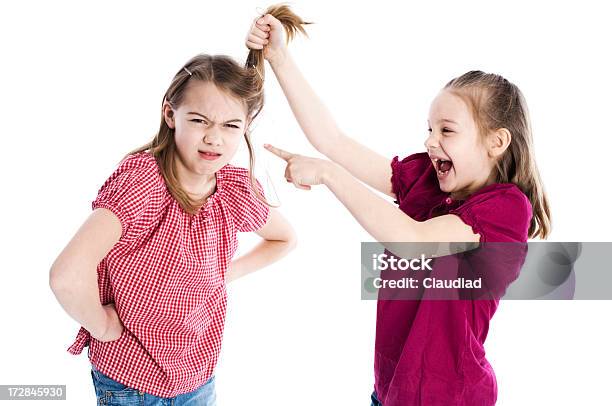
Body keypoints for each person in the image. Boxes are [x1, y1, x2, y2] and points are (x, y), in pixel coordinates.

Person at [246, 5, 551, 405]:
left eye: (447, 130)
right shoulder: (427, 178)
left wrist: (329, 175)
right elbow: (333, 141)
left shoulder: (505, 208)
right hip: (390, 392)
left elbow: (413, 240)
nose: (430, 140)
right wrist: (281, 60)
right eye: (429, 128)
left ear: (496, 143)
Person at [49, 49, 297, 405]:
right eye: (199, 121)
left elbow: (283, 238)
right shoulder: (143, 184)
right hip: (130, 382)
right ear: (170, 114)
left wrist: (221, 274)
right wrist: (101, 326)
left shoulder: (234, 189)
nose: (214, 138)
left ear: (246, 127)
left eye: (231, 125)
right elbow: (66, 275)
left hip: (197, 376)